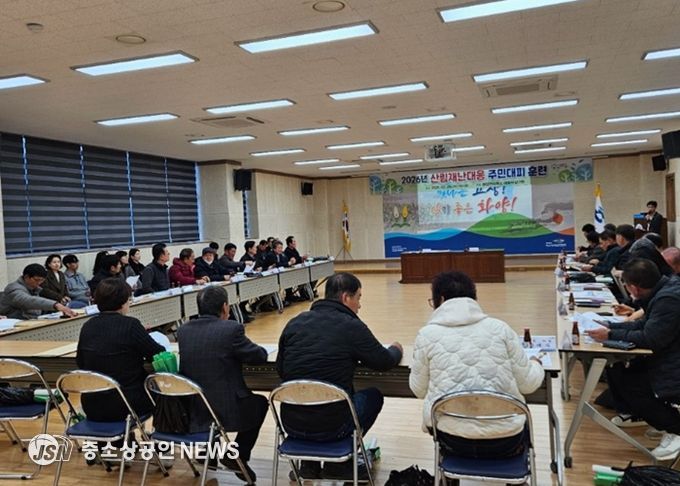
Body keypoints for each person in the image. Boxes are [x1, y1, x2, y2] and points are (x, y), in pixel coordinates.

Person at [277, 272, 403, 480]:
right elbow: (384, 362)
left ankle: (308, 464)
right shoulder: (351, 326)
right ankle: (340, 465)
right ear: (346, 297)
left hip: (292, 424)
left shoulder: (294, 323)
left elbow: (281, 370)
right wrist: (396, 349)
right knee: (372, 397)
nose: (359, 305)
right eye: (358, 298)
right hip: (334, 426)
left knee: (315, 400)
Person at [409, 271, 544, 459]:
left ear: (440, 300)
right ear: (473, 298)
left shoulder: (426, 335)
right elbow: (528, 384)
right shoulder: (500, 329)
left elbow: (418, 390)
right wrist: (536, 364)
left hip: (452, 440)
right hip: (506, 440)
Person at [585, 259, 680, 460]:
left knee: (633, 384)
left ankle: (676, 429)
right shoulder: (663, 292)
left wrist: (610, 335)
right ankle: (651, 418)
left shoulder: (668, 299)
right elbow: (644, 325)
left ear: (634, 288)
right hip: (668, 355)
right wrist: (611, 327)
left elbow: (651, 338)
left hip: (673, 364)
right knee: (618, 368)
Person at [178, 286, 267, 482]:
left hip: (194, 408)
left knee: (209, 396)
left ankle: (208, 453)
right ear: (225, 307)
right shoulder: (231, 329)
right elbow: (258, 356)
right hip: (225, 410)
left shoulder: (183, 331)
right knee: (260, 403)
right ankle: (238, 453)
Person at [77, 277, 164, 422]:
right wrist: (141, 336)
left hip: (92, 404)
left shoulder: (88, 326)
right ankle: (161, 432)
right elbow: (158, 354)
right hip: (128, 403)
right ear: (123, 302)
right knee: (164, 390)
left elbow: (81, 362)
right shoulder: (131, 325)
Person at [0, 264, 77, 319]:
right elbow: (28, 300)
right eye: (37, 280)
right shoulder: (13, 288)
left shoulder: (35, 289)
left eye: (42, 280)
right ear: (26, 277)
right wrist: (56, 305)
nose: (39, 283)